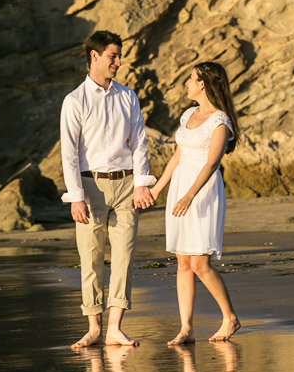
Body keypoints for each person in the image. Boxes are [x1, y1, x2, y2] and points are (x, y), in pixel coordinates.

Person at [60, 30, 156, 349]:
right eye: (113, 55)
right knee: (91, 257)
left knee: (124, 256)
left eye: (119, 55)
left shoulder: (127, 96)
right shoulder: (75, 100)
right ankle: (93, 327)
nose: (118, 61)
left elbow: (140, 143)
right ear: (94, 56)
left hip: (127, 183)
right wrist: (76, 197)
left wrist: (142, 183)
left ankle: (115, 327)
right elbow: (69, 153)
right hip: (91, 186)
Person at [150, 62, 242, 343]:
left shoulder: (220, 121)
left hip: (202, 191)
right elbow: (177, 156)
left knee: (201, 262)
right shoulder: (189, 114)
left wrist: (190, 195)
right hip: (180, 187)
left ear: (203, 83)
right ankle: (186, 328)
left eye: (190, 79)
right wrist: (157, 190)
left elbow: (212, 163)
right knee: (182, 262)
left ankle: (230, 318)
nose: (186, 84)